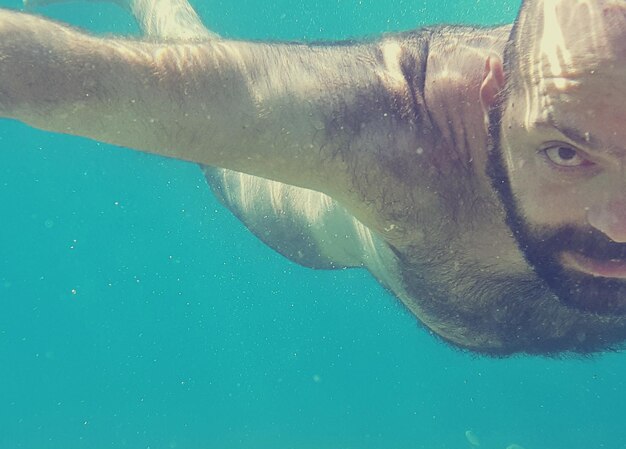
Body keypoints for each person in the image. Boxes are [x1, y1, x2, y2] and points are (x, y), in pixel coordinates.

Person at [1, 0, 626, 356]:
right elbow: (86, 81)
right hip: (320, 230)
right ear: (495, 101)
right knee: (213, 135)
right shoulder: (395, 129)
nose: (617, 227)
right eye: (568, 154)